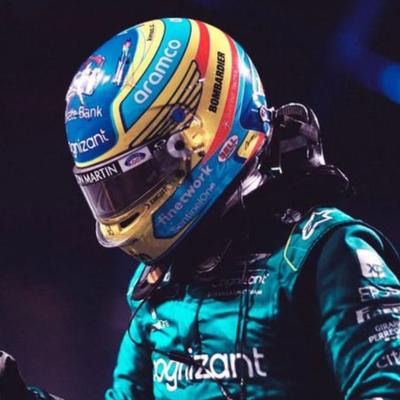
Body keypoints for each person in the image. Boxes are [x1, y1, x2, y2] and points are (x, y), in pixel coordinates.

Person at [64, 18, 400, 399]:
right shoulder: (159, 282)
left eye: (135, 179)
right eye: (107, 191)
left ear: (196, 140)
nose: (123, 206)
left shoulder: (324, 253)